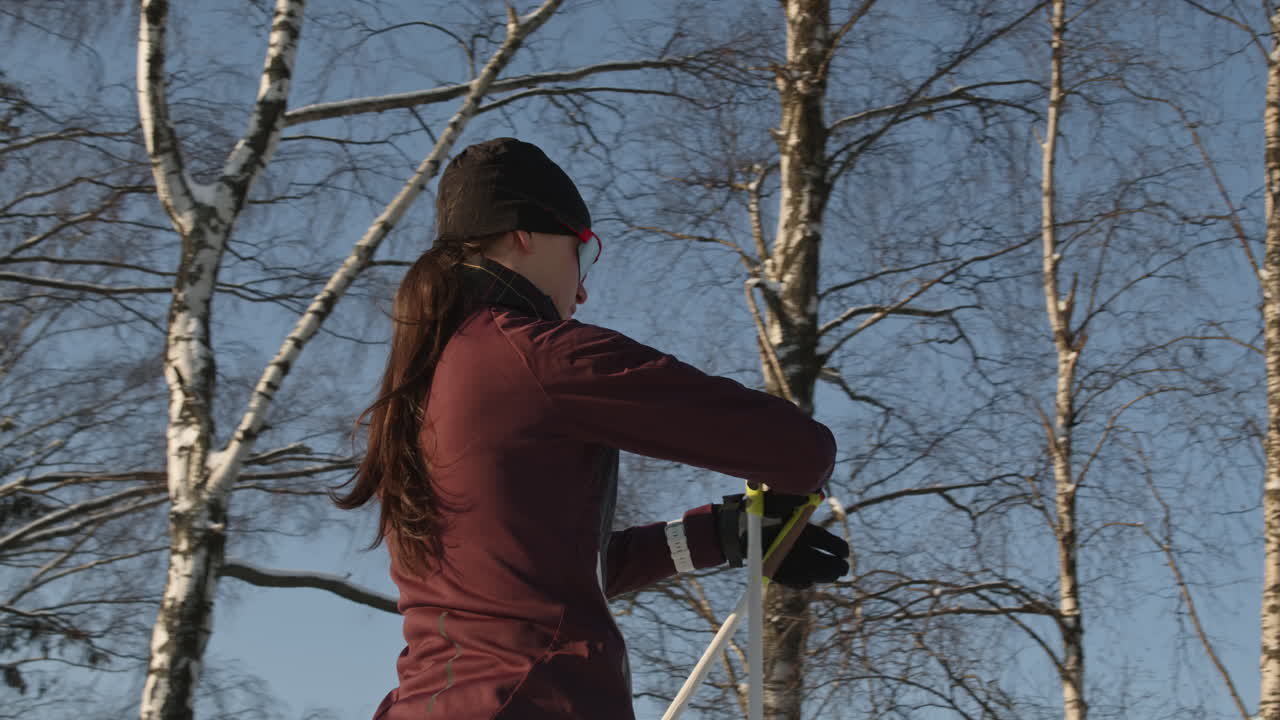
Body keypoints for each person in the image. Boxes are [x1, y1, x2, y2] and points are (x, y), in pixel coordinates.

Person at [334, 138, 849, 719]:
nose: (581, 289)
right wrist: (792, 484)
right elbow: (798, 451)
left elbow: (550, 572)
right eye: (584, 250)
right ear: (523, 235)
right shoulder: (535, 355)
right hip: (528, 701)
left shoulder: (422, 383)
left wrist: (727, 534)